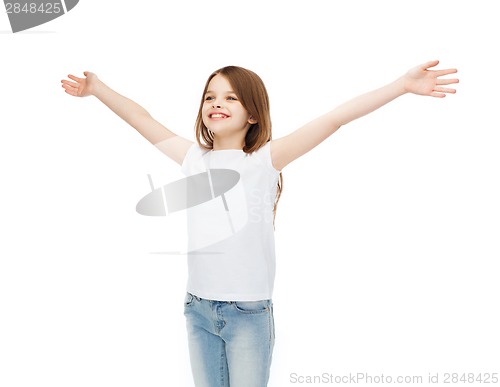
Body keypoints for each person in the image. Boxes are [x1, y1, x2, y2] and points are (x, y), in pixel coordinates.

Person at [61, 60, 458, 386]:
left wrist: (401, 85)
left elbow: (335, 118)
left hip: (247, 314)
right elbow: (140, 117)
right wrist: (98, 88)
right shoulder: (192, 159)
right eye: (210, 96)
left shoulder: (264, 161)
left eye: (230, 97)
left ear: (252, 113)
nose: (217, 103)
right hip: (197, 309)